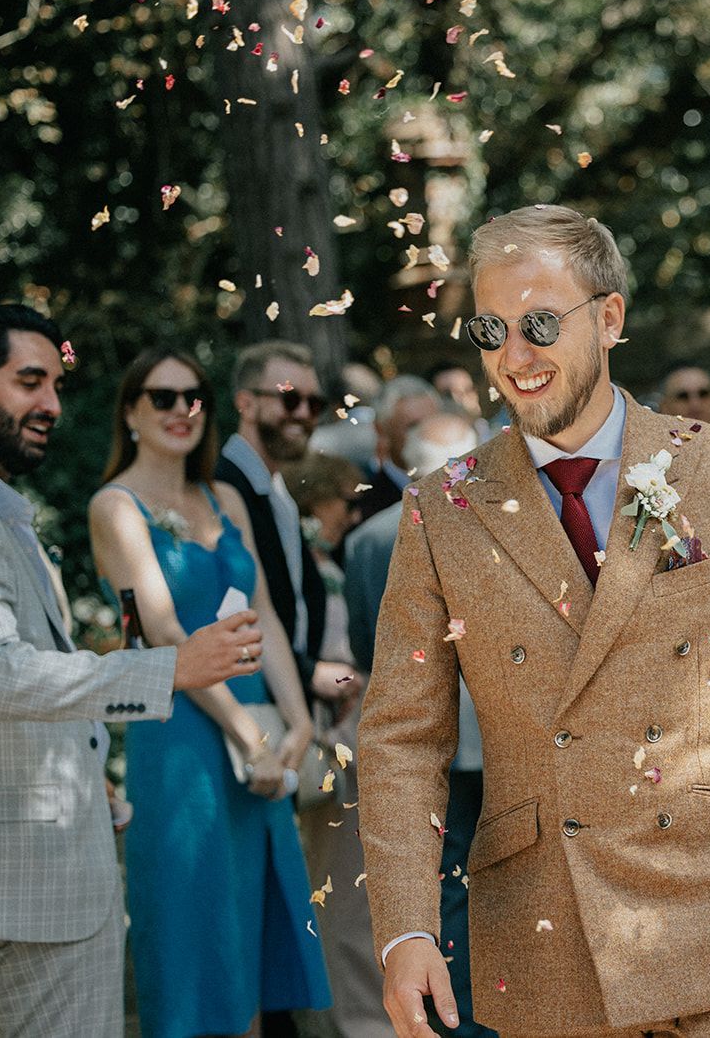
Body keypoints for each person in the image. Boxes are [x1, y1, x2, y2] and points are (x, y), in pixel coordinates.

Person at [356, 204, 710, 1038]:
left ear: (610, 316)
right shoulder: (442, 508)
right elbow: (401, 737)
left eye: (540, 324)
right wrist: (406, 929)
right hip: (551, 935)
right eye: (491, 329)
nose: (514, 355)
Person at [0, 307, 258, 1038]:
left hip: (33, 862)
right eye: (29, 382)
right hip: (25, 891)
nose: (52, 405)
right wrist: (168, 668)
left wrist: (72, 755)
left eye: (56, 385)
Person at [87, 347, 331, 1036]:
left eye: (193, 396)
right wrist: (249, 735)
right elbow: (164, 633)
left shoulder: (224, 498)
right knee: (196, 947)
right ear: (131, 411)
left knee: (248, 951)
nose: (181, 410)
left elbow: (264, 615)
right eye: (161, 397)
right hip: (185, 740)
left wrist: (297, 721)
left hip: (257, 740)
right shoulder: (116, 506)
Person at [343, 412, 492, 1038]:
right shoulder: (491, 524)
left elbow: (364, 646)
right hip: (487, 733)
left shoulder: (366, 538)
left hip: (429, 734)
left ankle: (455, 1016)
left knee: (442, 883)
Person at [282, 451, 394, 1038]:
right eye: (345, 503)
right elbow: (323, 661)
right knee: (347, 891)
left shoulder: (322, 562)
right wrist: (357, 680)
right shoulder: (303, 568)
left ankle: (342, 1017)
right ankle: (358, 1022)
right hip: (331, 740)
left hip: (341, 735)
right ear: (313, 502)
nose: (353, 516)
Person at [218, 341, 354, 706]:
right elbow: (233, 609)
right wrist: (308, 674)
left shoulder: (277, 488)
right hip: (250, 698)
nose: (304, 414)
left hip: (292, 698)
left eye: (315, 404)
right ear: (246, 403)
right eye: (290, 400)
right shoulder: (223, 486)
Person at [355, 375, 443, 521]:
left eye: (431, 423)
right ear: (381, 430)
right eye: (413, 427)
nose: (425, 435)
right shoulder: (368, 510)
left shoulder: (462, 485)